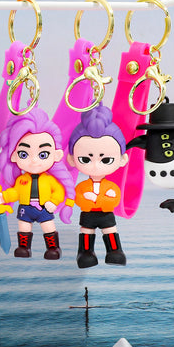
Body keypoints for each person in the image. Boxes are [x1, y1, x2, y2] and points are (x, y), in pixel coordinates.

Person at [0, 107, 74, 260]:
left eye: (43, 154)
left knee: (48, 227)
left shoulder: (49, 179)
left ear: (56, 155)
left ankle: (53, 248)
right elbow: (15, 192)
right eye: (24, 154)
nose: (34, 161)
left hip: (44, 207)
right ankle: (24, 247)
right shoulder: (21, 180)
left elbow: (58, 191)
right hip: (26, 208)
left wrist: (54, 202)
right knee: (24, 227)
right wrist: (3, 197)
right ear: (14, 156)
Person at [67, 104, 128, 267]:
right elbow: (78, 199)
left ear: (122, 159)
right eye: (86, 159)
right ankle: (85, 253)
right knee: (86, 232)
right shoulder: (82, 187)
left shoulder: (111, 187)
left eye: (106, 160)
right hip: (88, 214)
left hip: (106, 214)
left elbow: (114, 200)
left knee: (110, 231)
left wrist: (97, 199)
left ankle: (115, 251)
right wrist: (90, 199)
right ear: (72, 159)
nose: (95, 166)